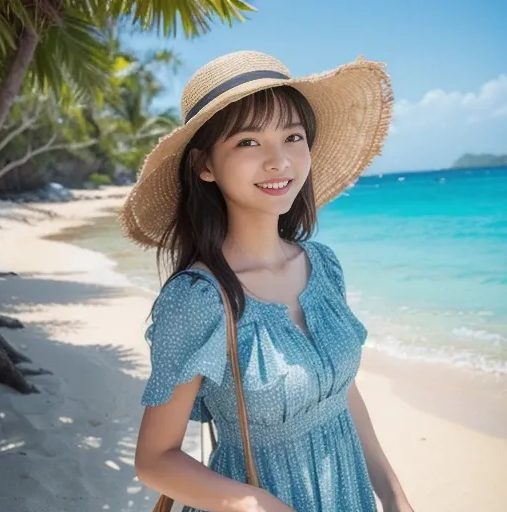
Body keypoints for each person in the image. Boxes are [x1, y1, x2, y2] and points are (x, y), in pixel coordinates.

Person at [120, 51, 413, 512]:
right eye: (249, 143)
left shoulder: (323, 266)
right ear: (205, 165)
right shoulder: (197, 300)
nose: (279, 160)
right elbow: (155, 459)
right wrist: (257, 504)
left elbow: (339, 392)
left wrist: (393, 495)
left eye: (292, 136)